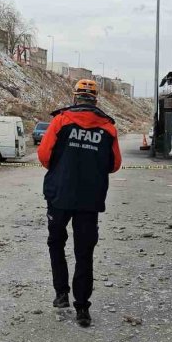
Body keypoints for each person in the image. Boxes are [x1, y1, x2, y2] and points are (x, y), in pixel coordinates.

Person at [38, 79, 121, 327]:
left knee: (56, 243)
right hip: (89, 199)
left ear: (75, 98)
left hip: (59, 196)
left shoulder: (61, 121)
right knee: (84, 252)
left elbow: (44, 156)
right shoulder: (108, 127)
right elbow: (114, 165)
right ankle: (82, 307)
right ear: (95, 99)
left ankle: (61, 294)